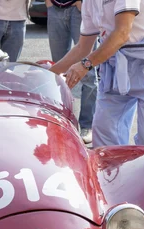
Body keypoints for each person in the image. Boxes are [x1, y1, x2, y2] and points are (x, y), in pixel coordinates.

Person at [48, 0, 144, 149]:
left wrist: (85, 65)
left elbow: (122, 33)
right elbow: (82, 47)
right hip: (115, 62)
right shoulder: (89, 3)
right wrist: (47, 74)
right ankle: (114, 172)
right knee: (105, 133)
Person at [45, 0, 97, 144]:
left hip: (79, 9)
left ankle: (87, 126)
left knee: (88, 73)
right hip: (55, 8)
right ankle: (61, 122)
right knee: (58, 69)